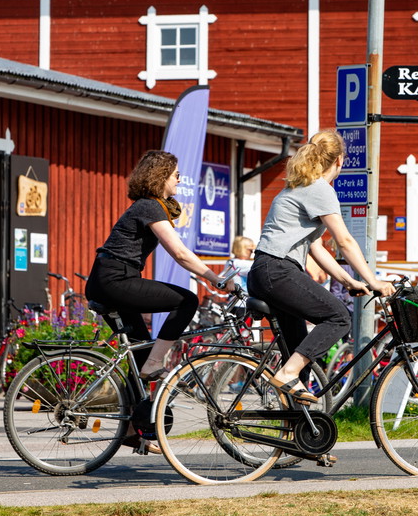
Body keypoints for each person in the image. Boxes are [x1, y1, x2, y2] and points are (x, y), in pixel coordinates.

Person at [248, 129, 395, 404]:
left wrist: (351, 281)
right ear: (339, 161)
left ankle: (300, 438)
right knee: (339, 317)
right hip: (278, 270)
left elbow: (317, 249)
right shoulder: (320, 190)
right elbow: (345, 241)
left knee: (299, 352)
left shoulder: (299, 187)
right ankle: (287, 372)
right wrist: (373, 280)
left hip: (265, 272)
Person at [87, 149, 235, 384]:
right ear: (161, 176)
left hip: (110, 279)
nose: (180, 179)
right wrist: (215, 278)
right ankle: (157, 362)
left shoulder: (150, 206)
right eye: (176, 174)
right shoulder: (150, 206)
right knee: (186, 301)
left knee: (141, 359)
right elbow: (180, 253)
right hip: (115, 280)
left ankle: (137, 419)